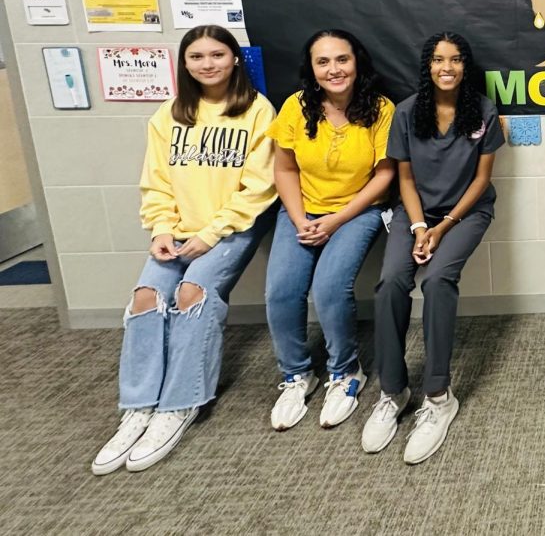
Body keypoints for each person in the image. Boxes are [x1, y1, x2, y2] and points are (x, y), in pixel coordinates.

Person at [90, 25, 276, 475]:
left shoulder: (256, 111)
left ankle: (179, 403)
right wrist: (160, 229)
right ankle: (139, 405)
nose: (208, 63)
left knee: (193, 292)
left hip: (231, 230)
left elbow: (259, 186)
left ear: (234, 59)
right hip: (175, 230)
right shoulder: (169, 114)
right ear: (185, 63)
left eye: (217, 54)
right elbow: (156, 182)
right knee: (145, 298)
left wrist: (212, 234)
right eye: (197, 56)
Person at [363, 32, 505, 463]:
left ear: (466, 65)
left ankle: (439, 395)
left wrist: (441, 229)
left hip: (465, 212)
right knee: (390, 283)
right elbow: (404, 179)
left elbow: (481, 181)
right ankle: (392, 390)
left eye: (457, 60)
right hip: (414, 212)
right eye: (439, 60)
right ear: (428, 66)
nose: (448, 68)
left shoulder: (481, 109)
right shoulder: (407, 113)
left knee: (440, 280)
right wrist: (421, 224)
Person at [264, 30, 396, 431]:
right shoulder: (296, 106)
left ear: (357, 62)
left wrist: (337, 220)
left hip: (358, 210)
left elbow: (384, 175)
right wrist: (301, 218)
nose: (334, 69)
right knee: (281, 290)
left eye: (342, 59)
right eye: (323, 62)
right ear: (312, 68)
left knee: (328, 287)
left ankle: (345, 372)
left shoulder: (380, 108)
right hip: (302, 210)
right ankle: (296, 375)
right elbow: (284, 168)